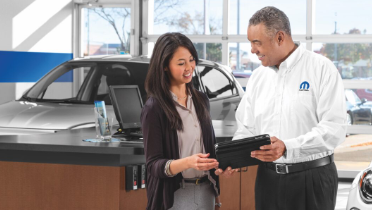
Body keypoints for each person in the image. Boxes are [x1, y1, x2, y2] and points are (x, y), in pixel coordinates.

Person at [233, 6, 347, 210]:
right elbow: (246, 128)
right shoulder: (258, 77)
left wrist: (288, 146)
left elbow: (334, 129)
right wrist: (232, 159)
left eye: (256, 43)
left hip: (312, 180)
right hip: (267, 180)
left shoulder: (322, 69)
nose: (252, 50)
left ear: (279, 38)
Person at [141, 32, 227, 210]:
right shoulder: (154, 108)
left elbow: (209, 148)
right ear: (165, 66)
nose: (189, 67)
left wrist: (220, 171)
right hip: (173, 195)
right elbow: (154, 166)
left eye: (191, 60)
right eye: (181, 63)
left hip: (206, 192)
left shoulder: (201, 100)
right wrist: (188, 162)